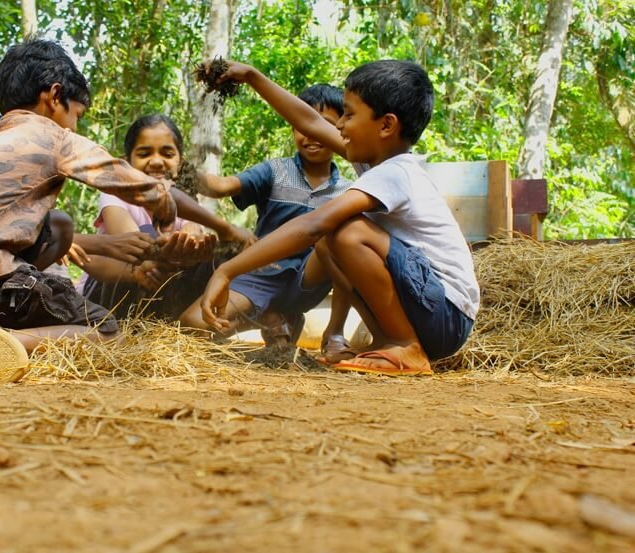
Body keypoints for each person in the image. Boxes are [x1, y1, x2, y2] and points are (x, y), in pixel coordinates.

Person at [0, 38, 177, 384]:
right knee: (106, 329)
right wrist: (163, 202)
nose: (75, 126)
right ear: (54, 97)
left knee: (53, 225)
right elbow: (119, 174)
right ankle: (5, 343)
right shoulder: (52, 136)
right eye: (77, 115)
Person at [200, 60, 479, 376]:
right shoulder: (377, 162)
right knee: (329, 243)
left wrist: (227, 270)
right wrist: (252, 77)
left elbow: (313, 224)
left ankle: (405, 345)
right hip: (436, 315)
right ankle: (389, 340)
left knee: (343, 230)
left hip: (447, 316)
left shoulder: (395, 173)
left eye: (348, 114)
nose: (340, 126)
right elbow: (308, 121)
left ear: (386, 126)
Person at [178, 84, 352, 346]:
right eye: (302, 127)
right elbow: (221, 186)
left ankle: (334, 335)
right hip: (262, 274)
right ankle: (272, 317)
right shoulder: (275, 171)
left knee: (342, 240)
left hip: (309, 280)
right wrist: (182, 170)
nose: (311, 135)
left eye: (322, 126)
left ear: (339, 129)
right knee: (192, 324)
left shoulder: (348, 190)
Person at [75, 113, 255, 320]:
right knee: (139, 261)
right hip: (111, 295)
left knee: (216, 259)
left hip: (159, 287)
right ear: (126, 163)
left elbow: (192, 231)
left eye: (167, 154)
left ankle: (194, 324)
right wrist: (167, 248)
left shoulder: (186, 201)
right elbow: (135, 242)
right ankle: (120, 330)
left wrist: (191, 245)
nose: (157, 162)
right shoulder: (114, 196)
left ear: (180, 163)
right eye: (144, 154)